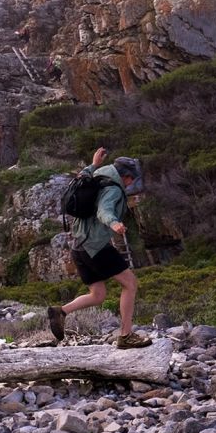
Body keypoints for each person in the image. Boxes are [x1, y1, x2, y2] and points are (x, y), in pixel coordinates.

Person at [48, 147, 151, 349]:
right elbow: (105, 210)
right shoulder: (113, 189)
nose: (132, 184)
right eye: (132, 179)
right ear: (126, 177)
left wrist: (94, 163)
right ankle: (126, 335)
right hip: (94, 246)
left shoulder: (99, 173)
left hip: (78, 245)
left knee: (98, 294)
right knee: (130, 284)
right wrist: (114, 223)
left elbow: (81, 176)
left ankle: (60, 312)